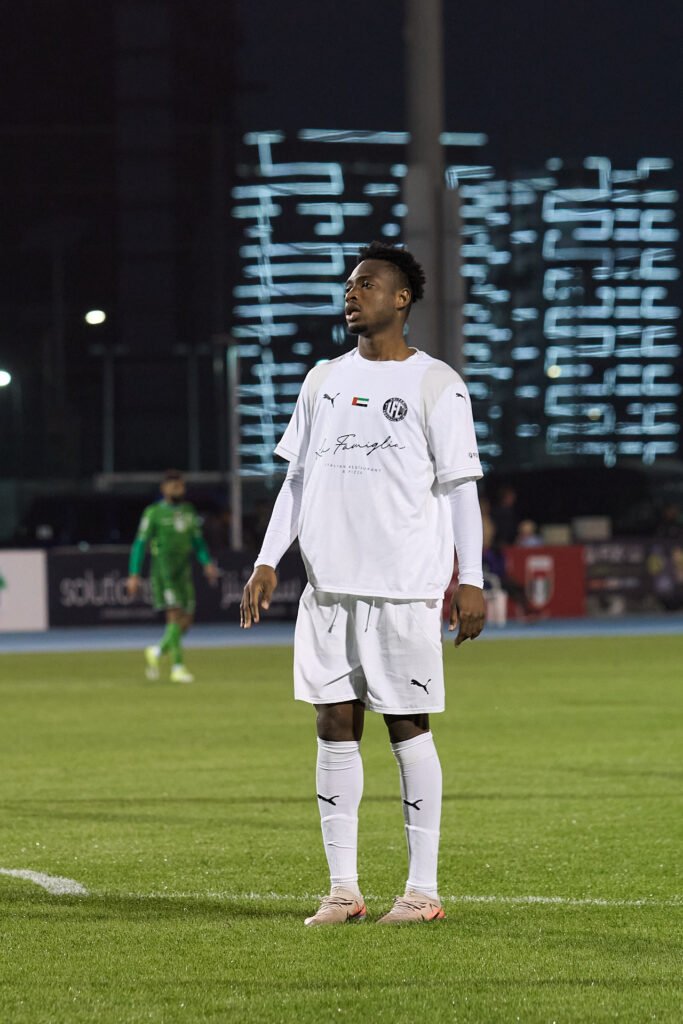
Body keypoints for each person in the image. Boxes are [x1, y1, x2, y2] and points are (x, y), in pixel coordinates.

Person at [240, 241, 485, 926]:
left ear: (401, 299)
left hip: (402, 588)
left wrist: (471, 578)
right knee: (332, 725)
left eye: (367, 284)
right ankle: (343, 890)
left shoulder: (436, 383)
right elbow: (297, 478)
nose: (352, 293)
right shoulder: (322, 378)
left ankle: (422, 891)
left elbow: (461, 489)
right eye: (350, 284)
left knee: (406, 727)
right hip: (327, 588)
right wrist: (267, 559)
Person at [127, 469, 219, 683]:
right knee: (175, 616)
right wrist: (134, 574)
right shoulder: (153, 513)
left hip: (183, 572)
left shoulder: (188, 511)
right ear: (164, 488)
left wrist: (207, 563)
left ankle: (157, 651)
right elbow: (140, 543)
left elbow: (197, 541)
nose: (177, 488)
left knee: (186, 621)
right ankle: (178, 668)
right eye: (173, 485)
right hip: (164, 572)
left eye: (180, 485)